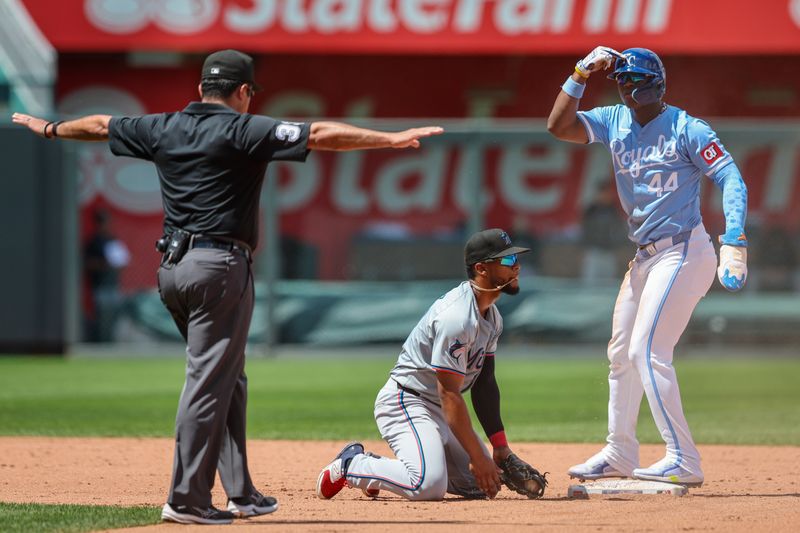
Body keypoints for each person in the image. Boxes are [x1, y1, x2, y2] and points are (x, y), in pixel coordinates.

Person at [13, 49, 443, 525]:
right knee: (207, 382)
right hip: (219, 267)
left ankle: (241, 493)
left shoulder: (163, 126)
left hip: (172, 269)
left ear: (200, 89)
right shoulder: (244, 128)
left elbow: (97, 125)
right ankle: (185, 499)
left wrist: (50, 128)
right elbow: (318, 134)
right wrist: (390, 139)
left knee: (226, 377)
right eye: (249, 93)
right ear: (243, 93)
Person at [547, 47, 749, 487]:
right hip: (644, 257)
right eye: (623, 79)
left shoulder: (686, 128)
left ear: (658, 86)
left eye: (637, 79)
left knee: (646, 351)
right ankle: (619, 450)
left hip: (683, 250)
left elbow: (731, 176)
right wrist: (581, 71)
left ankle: (683, 458)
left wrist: (734, 237)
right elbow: (559, 126)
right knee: (621, 354)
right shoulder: (613, 120)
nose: (629, 86)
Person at [315, 228, 547, 501]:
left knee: (482, 486)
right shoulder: (457, 318)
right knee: (427, 485)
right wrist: (476, 455)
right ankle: (352, 464)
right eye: (507, 261)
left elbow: (484, 384)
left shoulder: (491, 317)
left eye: (516, 259)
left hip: (440, 409)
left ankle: (388, 471)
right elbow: (449, 393)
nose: (517, 266)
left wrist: (500, 449)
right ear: (482, 268)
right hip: (406, 403)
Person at [83, 209, 130, 342]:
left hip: (113, 284)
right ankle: (101, 342)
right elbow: (88, 263)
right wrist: (104, 264)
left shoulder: (113, 240)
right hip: (100, 285)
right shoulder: (93, 242)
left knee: (114, 315)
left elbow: (122, 261)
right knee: (102, 316)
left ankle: (110, 341)